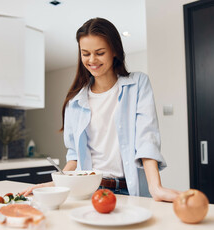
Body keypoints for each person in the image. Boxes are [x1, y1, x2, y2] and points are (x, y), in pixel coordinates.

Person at [21, 17, 180, 202]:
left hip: (131, 191)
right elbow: (74, 158)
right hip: (90, 192)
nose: (92, 60)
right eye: (85, 53)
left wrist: (156, 188)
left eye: (99, 52)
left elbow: (146, 139)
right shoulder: (76, 101)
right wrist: (54, 184)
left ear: (114, 51)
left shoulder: (138, 84)